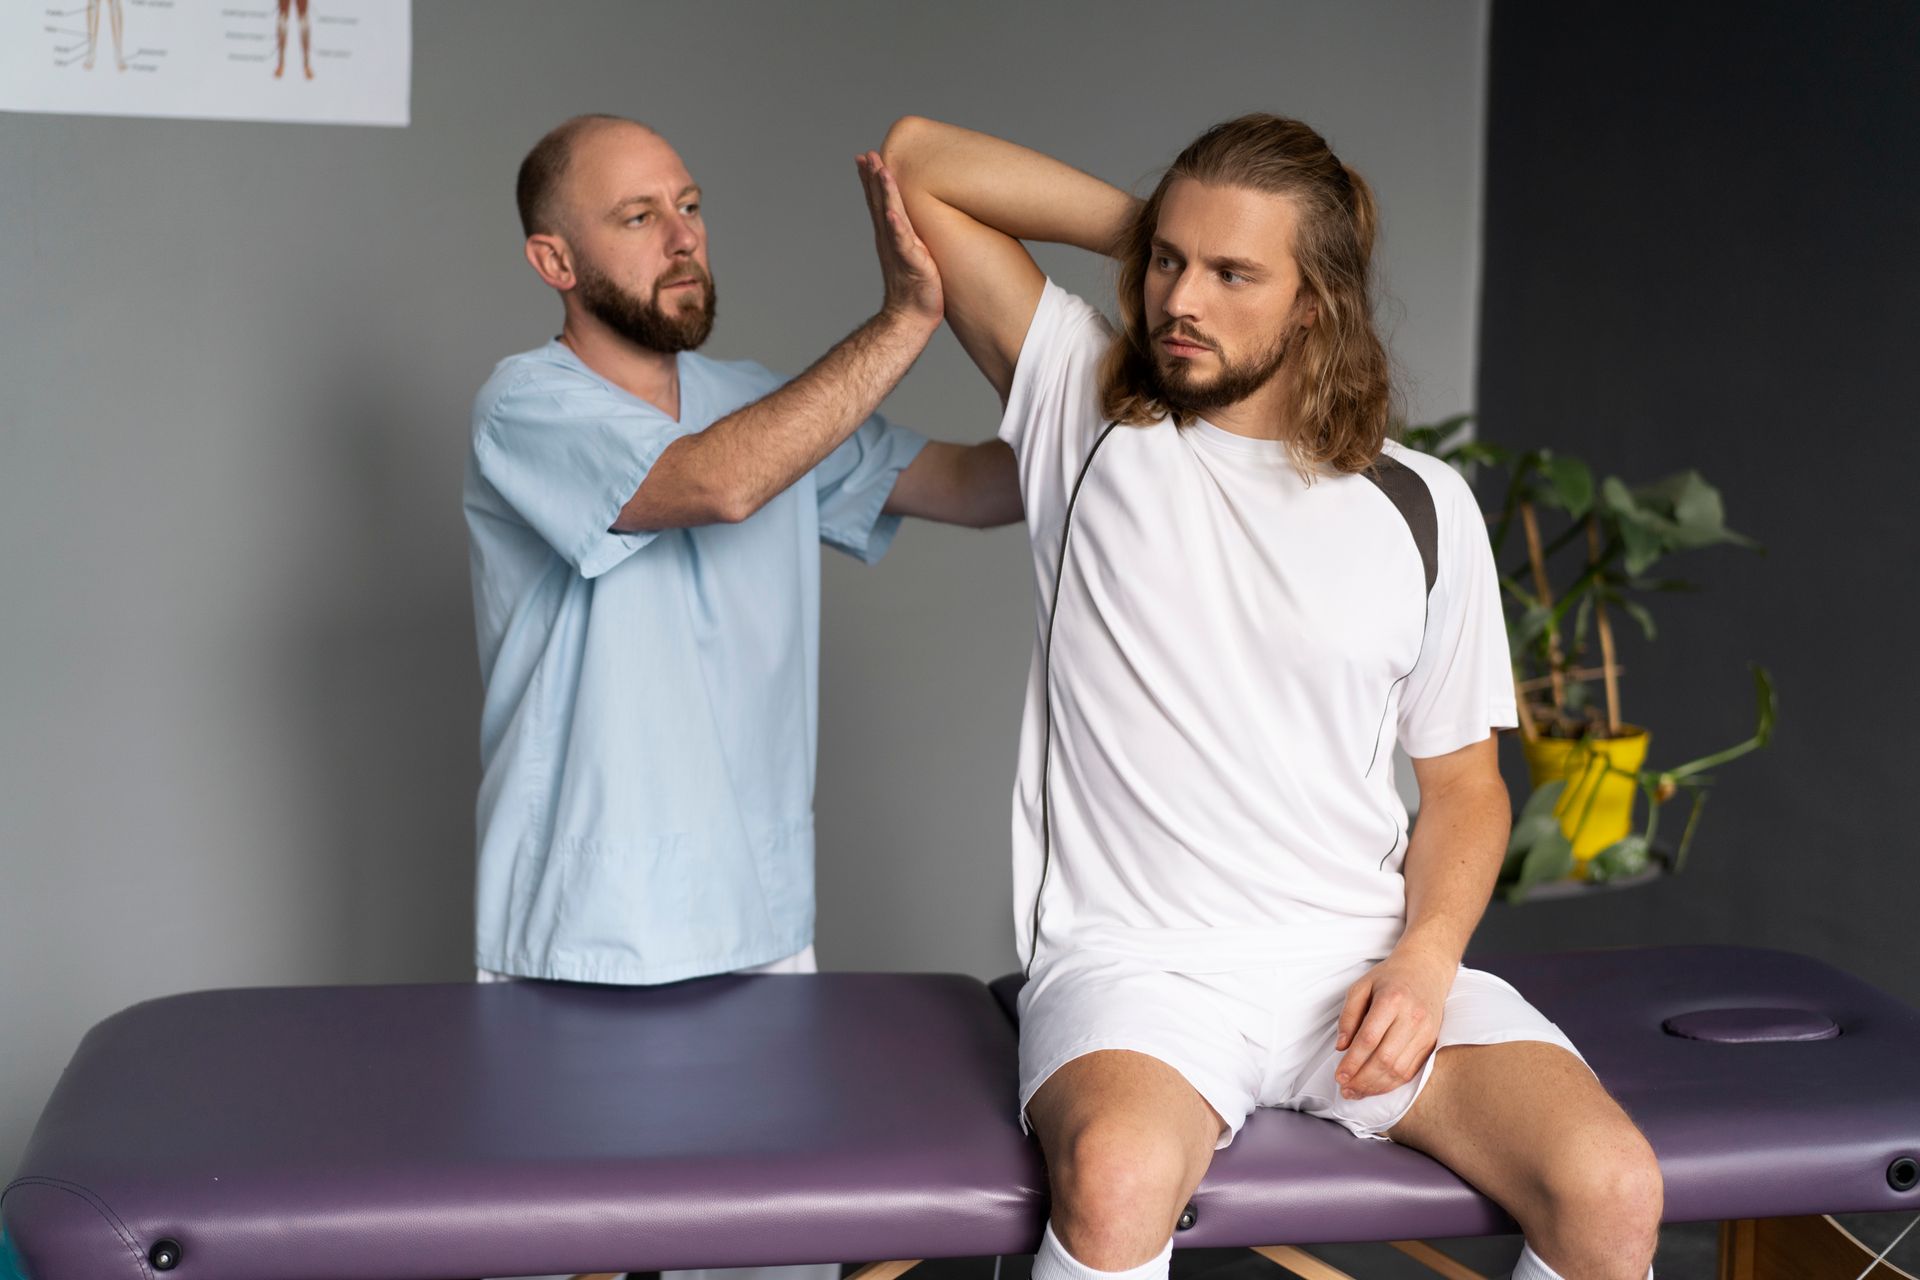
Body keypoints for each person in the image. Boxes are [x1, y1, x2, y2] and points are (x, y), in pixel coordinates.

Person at [883, 113, 1663, 1280]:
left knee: (1609, 1183)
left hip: (1356, 965)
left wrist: (1427, 957)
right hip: (1139, 968)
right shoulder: (1087, 411)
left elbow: (1464, 786)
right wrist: (1152, 223)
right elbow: (918, 163)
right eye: (1166, 262)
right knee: (1117, 1177)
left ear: (1317, 302)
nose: (1177, 299)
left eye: (1231, 271)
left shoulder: (1422, 504)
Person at [465, 114, 1017, 987]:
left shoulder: (758, 403)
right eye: (639, 217)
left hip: (763, 922)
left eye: (689, 206)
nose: (685, 238)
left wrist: (1140, 403)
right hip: (583, 931)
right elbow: (718, 484)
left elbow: (975, 488)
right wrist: (908, 319)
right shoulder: (524, 406)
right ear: (555, 263)